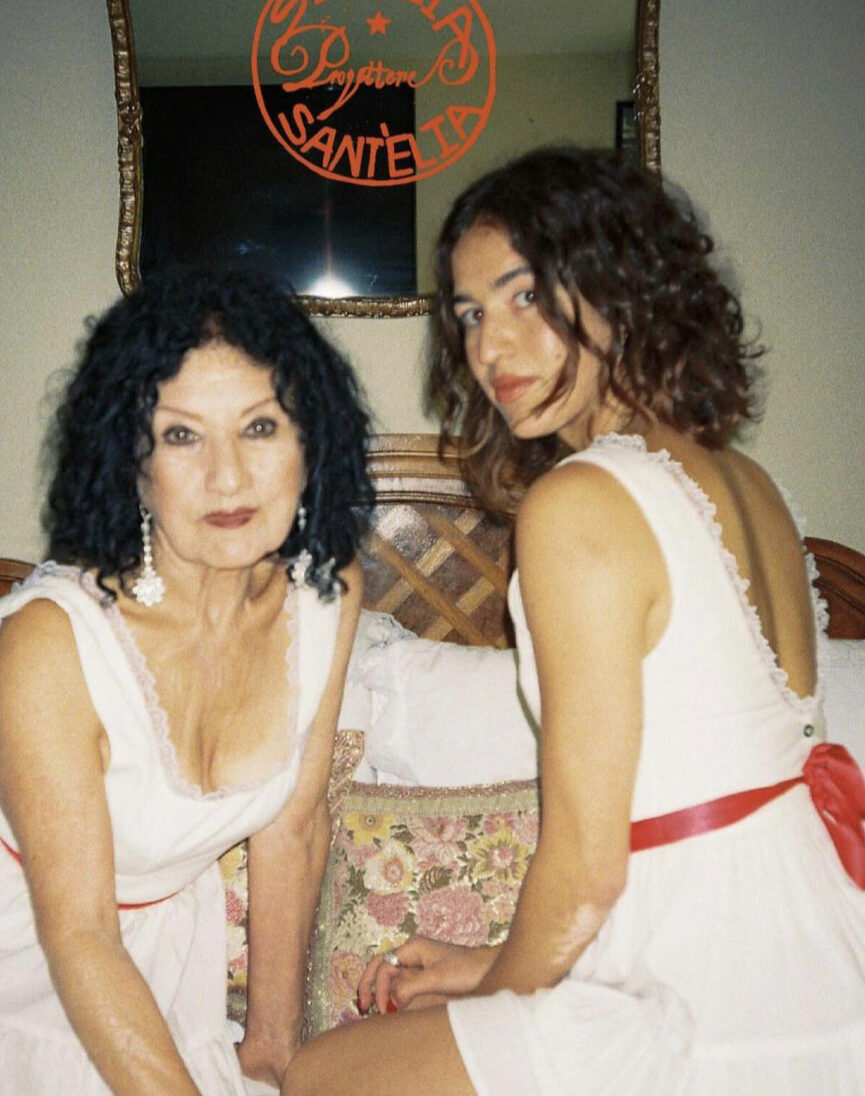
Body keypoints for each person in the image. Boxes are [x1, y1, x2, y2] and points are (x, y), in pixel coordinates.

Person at [282, 147, 865, 1096]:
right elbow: (697, 794)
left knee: (320, 1076)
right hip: (815, 961)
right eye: (469, 314)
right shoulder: (747, 481)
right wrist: (496, 962)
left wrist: (494, 999)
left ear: (621, 286)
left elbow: (587, 868)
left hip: (705, 999)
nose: (489, 349)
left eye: (524, 299)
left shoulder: (578, 505)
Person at [0, 267, 374, 1095]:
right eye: (181, 436)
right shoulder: (53, 644)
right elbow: (78, 935)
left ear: (309, 441)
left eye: (259, 426)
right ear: (130, 462)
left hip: (159, 955)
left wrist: (274, 1046)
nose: (227, 476)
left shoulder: (329, 587)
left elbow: (291, 824)